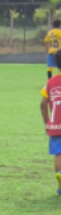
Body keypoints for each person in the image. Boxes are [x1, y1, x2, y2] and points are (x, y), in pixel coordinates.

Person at [40, 50, 61, 194]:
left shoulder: (50, 82)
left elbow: (43, 103)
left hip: (56, 124)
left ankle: (60, 177)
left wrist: (48, 121)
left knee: (58, 153)